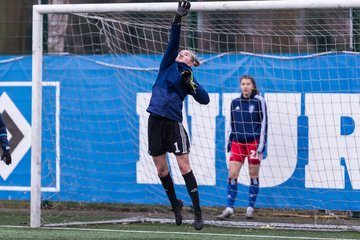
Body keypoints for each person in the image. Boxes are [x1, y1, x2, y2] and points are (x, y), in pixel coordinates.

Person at [146, 0, 209, 231]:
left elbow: (204, 99)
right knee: (162, 170)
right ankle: (175, 204)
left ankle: (199, 213)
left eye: (186, 55)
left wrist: (191, 82)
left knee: (184, 167)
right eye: (180, 53)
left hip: (174, 124)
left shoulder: (187, 78)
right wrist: (177, 19)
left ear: (192, 63)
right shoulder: (167, 66)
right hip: (155, 120)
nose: (181, 54)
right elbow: (173, 42)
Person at [217, 75, 267, 220]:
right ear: (240, 86)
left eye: (248, 84)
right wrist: (228, 142)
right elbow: (231, 123)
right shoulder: (235, 102)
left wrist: (261, 145)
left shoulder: (259, 101)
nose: (245, 86)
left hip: (253, 143)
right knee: (232, 174)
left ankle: (250, 207)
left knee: (253, 174)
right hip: (237, 143)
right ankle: (229, 208)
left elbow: (264, 123)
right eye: (243, 84)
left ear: (253, 86)